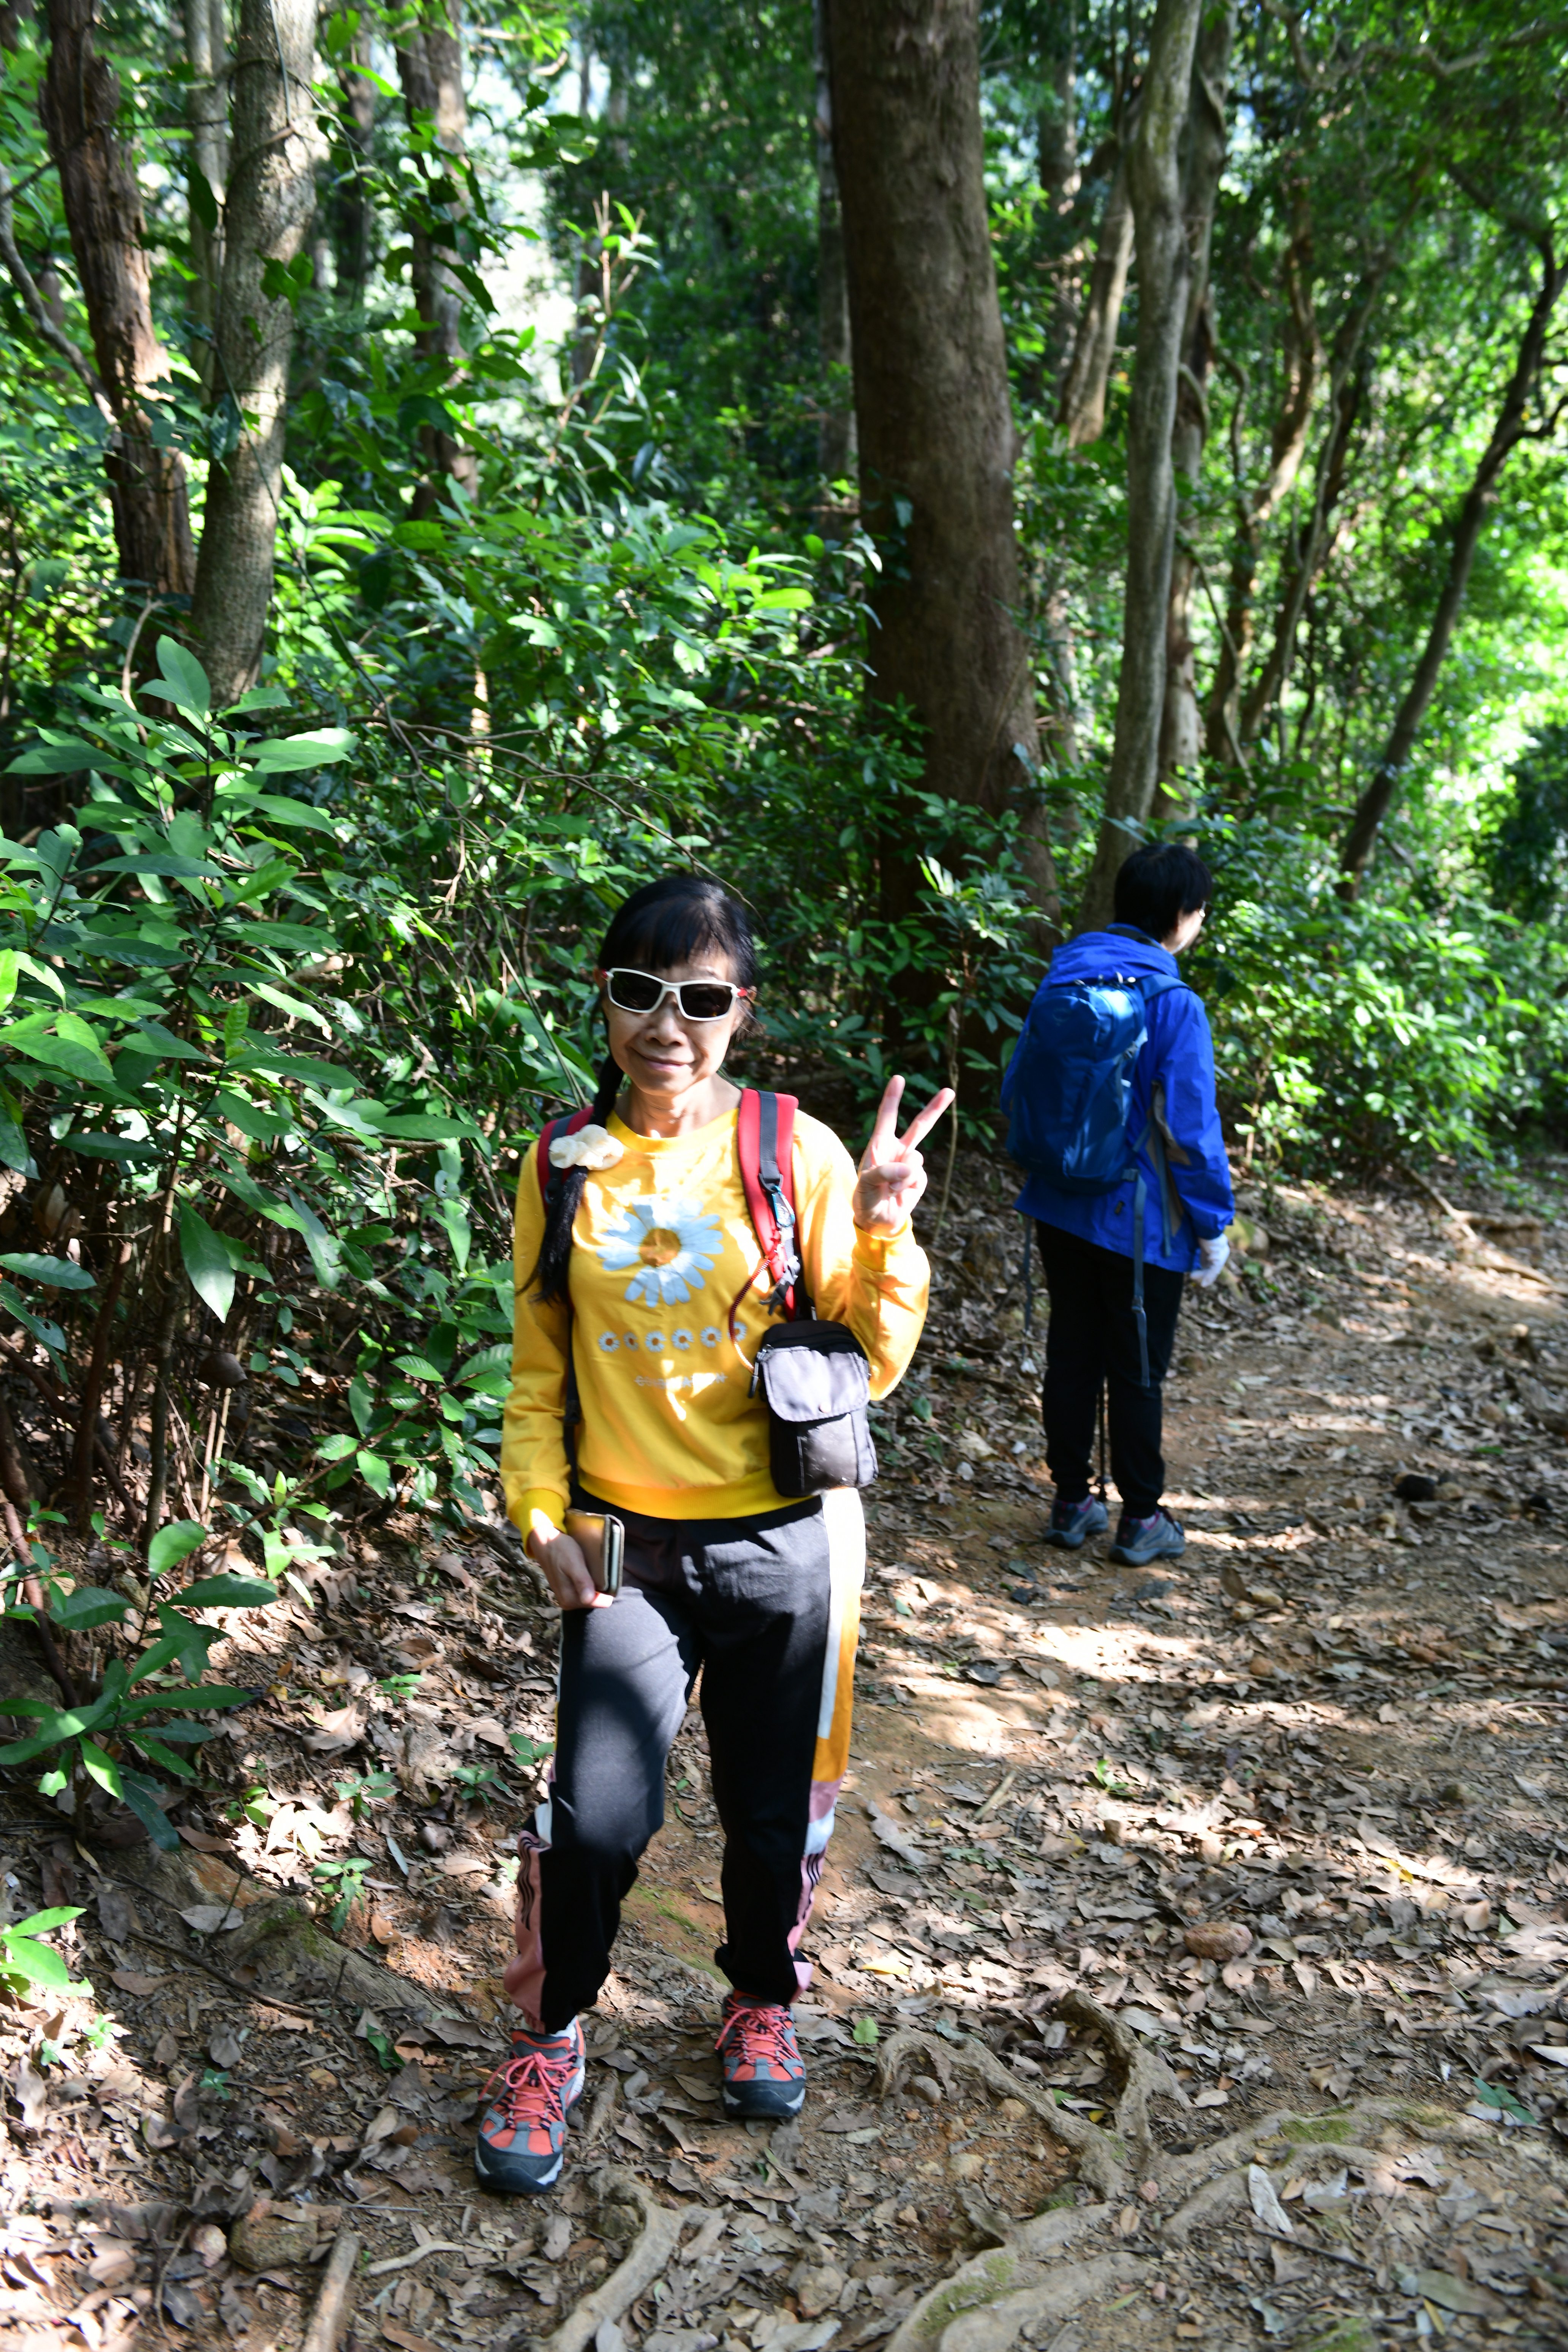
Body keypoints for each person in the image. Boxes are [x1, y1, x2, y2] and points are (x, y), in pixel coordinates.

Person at [482, 873, 950, 2195]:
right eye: (638, 992)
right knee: (594, 1822)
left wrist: (882, 1231)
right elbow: (537, 1373)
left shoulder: (793, 1151)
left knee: (770, 1810)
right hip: (621, 1547)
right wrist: (540, 1515)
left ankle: (759, 1999)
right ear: (604, 998)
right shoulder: (558, 1162)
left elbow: (867, 1359)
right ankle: (547, 2035)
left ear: (741, 1009)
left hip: (787, 1538)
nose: (665, 1025)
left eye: (697, 999)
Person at [1008, 842, 1233, 1570]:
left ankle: (1071, 1502)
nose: (1200, 922)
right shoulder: (1174, 1003)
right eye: (1200, 911)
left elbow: (1019, 1086)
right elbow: (1190, 1132)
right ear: (1181, 915)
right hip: (1137, 1223)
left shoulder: (1062, 976)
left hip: (1057, 1202)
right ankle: (1141, 1516)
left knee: (1072, 1352)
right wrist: (1213, 1225)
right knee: (1137, 1367)